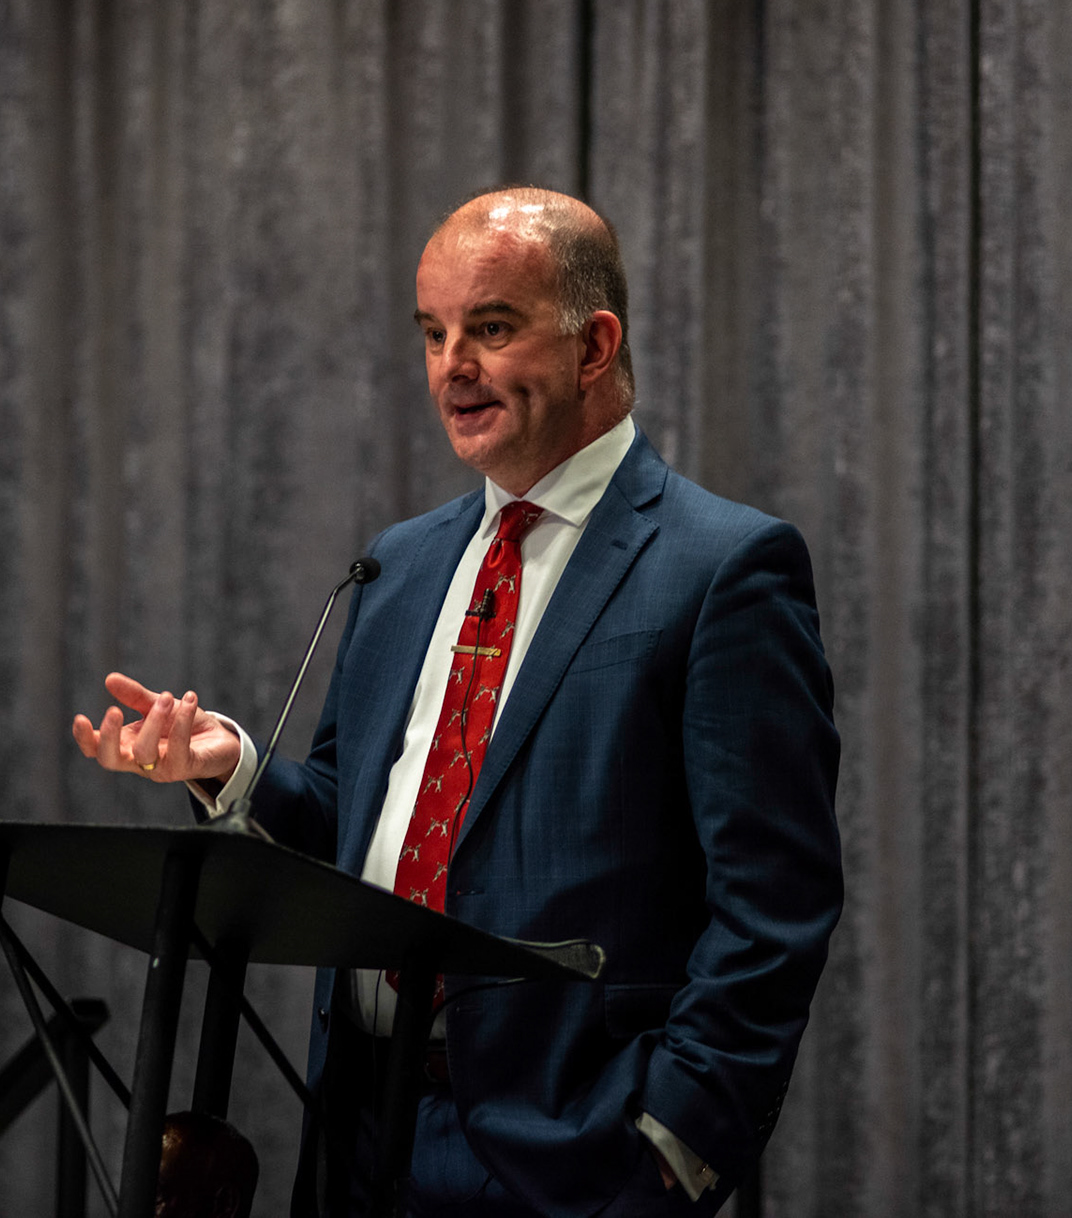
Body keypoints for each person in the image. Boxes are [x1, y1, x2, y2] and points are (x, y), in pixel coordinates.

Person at [73, 187, 842, 1216]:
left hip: (581, 1151)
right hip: (361, 1139)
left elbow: (774, 903)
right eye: (433, 334)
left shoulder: (721, 567)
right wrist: (235, 770)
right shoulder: (401, 563)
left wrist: (675, 1142)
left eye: (490, 328)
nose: (452, 368)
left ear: (594, 343)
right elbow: (358, 823)